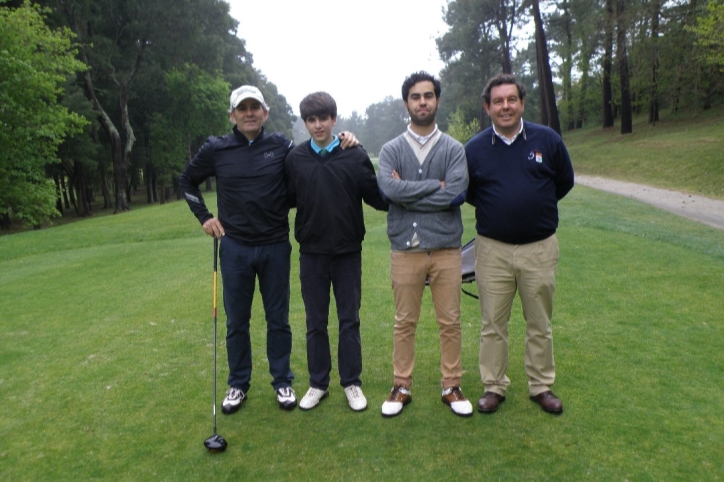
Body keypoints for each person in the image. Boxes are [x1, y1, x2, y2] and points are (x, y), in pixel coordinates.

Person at [179, 85, 357, 414]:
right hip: (235, 248)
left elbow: (314, 155)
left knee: (278, 320)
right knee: (237, 322)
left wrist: (345, 139)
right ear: (232, 115)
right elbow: (186, 180)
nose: (249, 113)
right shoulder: (216, 148)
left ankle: (282, 381)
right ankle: (238, 384)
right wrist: (204, 218)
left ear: (265, 113)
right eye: (242, 108)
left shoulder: (281, 146)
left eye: (255, 107)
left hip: (275, 245)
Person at [465, 73, 575, 415]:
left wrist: (532, 209)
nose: (505, 106)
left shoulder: (547, 140)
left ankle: (541, 385)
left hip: (539, 248)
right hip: (492, 250)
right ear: (488, 107)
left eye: (511, 99)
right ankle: (494, 386)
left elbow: (564, 182)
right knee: (493, 323)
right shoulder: (475, 148)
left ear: (522, 103)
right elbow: (469, 193)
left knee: (539, 321)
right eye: (498, 101)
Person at [376, 71, 472, 418]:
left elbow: (457, 194)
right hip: (405, 249)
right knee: (405, 322)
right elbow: (389, 190)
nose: (422, 102)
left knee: (451, 322)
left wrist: (409, 195)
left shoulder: (453, 148)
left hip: (446, 249)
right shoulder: (391, 149)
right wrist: (436, 186)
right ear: (407, 103)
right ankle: (401, 385)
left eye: (428, 96)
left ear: (437, 101)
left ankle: (452, 385)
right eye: (415, 97)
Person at [284, 92, 388, 412]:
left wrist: (401, 187)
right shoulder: (296, 159)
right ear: (305, 123)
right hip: (312, 253)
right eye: (311, 120)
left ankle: (351, 382)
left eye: (323, 119)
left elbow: (377, 198)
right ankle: (318, 383)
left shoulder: (353, 154)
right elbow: (284, 199)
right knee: (315, 322)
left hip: (347, 252)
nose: (318, 125)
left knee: (348, 320)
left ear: (334, 120)